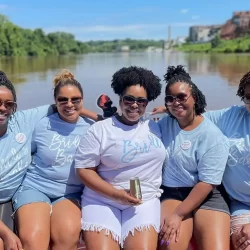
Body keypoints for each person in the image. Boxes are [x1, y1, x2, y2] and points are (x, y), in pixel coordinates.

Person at [74, 66, 166, 250]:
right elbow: (83, 170)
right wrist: (116, 194)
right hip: (102, 200)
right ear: (120, 99)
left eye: (141, 101)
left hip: (144, 201)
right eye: (129, 99)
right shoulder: (100, 130)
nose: (134, 105)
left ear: (147, 103)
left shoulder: (156, 125)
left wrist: (168, 107)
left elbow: (190, 112)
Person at [11, 70, 94, 250]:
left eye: (75, 100)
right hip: (35, 187)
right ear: (55, 102)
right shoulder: (42, 124)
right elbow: (23, 151)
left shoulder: (93, 129)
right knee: (33, 240)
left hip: (70, 193)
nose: (69, 104)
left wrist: (97, 116)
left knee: (66, 237)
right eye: (63, 100)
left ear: (82, 100)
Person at [157, 65, 230, 250]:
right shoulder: (163, 125)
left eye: (181, 97)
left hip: (207, 194)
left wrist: (177, 215)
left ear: (194, 98)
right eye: (170, 99)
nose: (176, 103)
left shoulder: (213, 136)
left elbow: (207, 183)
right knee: (169, 245)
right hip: (173, 192)